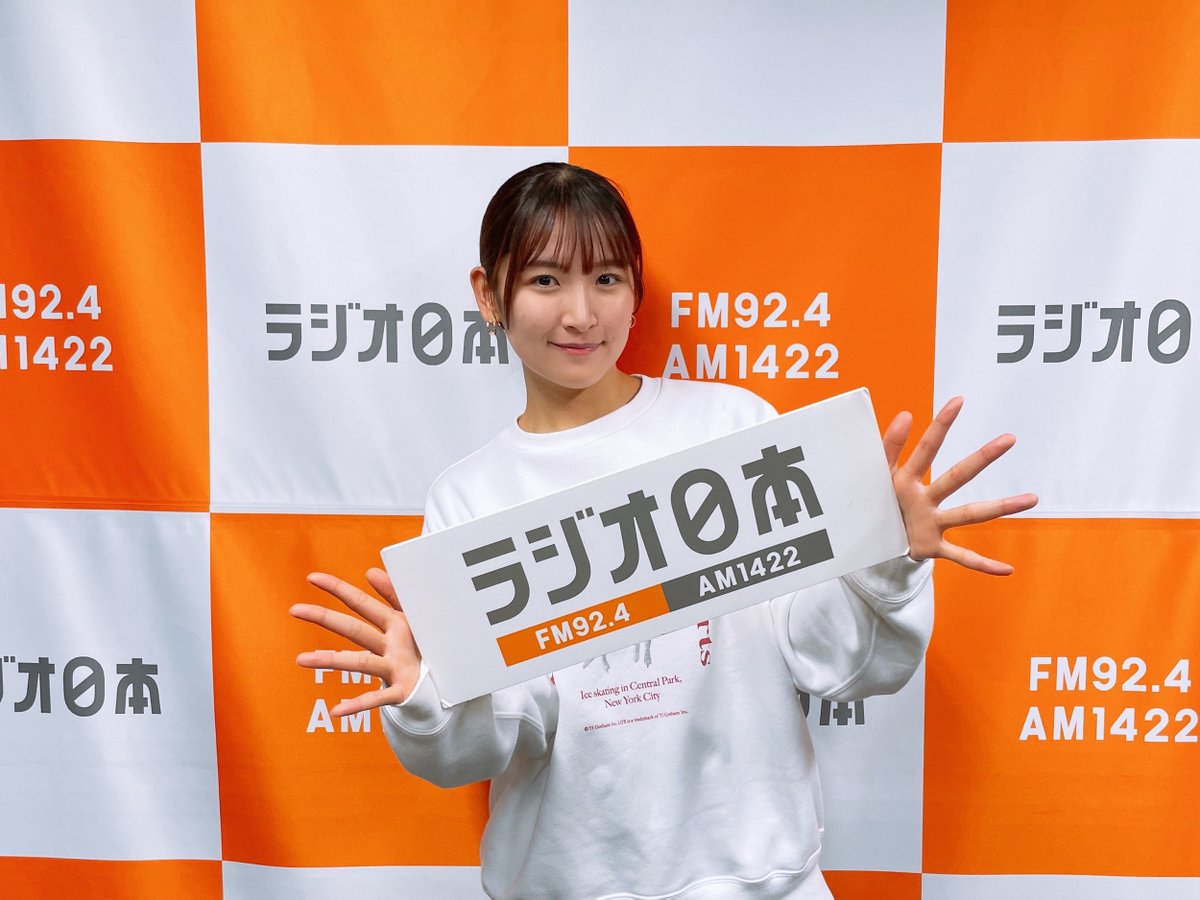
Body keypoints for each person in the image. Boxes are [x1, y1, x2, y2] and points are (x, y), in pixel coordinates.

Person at [290, 162, 1037, 899]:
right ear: (489, 294)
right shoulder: (469, 498)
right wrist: (430, 694)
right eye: (546, 280)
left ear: (636, 291)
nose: (581, 314)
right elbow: (495, 734)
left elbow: (829, 658)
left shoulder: (733, 426)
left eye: (607, 279)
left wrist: (882, 559)